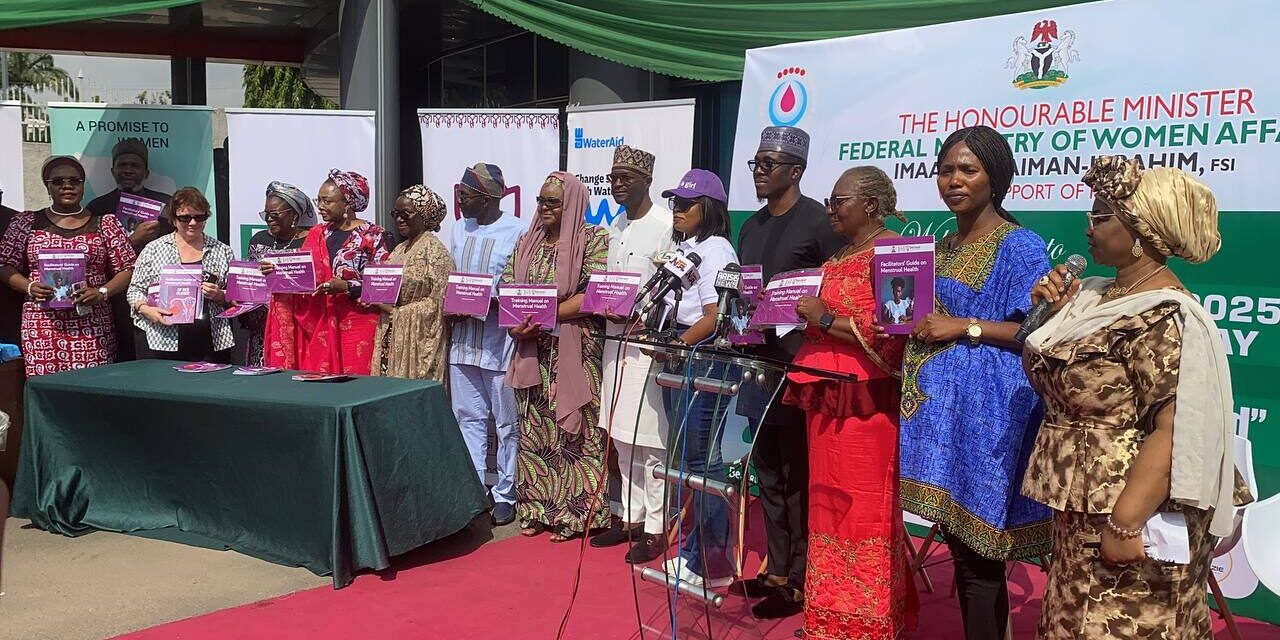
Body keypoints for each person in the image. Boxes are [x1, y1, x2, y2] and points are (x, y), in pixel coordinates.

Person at [1022, 156, 1249, 639]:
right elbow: (1051, 382)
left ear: (1141, 229)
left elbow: (1175, 430)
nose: (1088, 225)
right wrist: (1048, 316)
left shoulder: (1163, 318)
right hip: (1081, 507)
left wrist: (1125, 525)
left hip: (1131, 514)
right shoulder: (1094, 296)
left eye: (1101, 215)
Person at [896, 125, 1051, 639]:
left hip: (989, 419)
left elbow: (1038, 329)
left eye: (968, 169)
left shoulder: (1020, 246)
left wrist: (964, 326)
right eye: (945, 170)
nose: (953, 180)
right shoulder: (943, 243)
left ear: (996, 177)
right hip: (945, 419)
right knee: (961, 550)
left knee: (981, 555)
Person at [791, 167, 918, 639]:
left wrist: (824, 316)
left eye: (837, 199)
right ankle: (827, 617)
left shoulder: (898, 252)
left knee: (865, 510)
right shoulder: (841, 253)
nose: (829, 209)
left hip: (869, 404)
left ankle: (869, 622)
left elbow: (900, 334)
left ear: (869, 204)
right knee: (827, 508)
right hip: (824, 394)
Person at [734, 125, 843, 618]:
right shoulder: (750, 228)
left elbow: (837, 292)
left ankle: (801, 578)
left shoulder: (820, 223)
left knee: (799, 473)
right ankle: (777, 568)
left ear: (795, 171)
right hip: (756, 363)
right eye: (754, 164)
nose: (758, 172)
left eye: (767, 164)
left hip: (802, 366)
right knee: (768, 471)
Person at [502, 172, 611, 542]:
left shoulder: (593, 240)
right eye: (540, 201)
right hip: (531, 349)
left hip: (575, 350)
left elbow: (592, 295)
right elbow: (508, 288)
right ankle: (536, 508)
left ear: (574, 205)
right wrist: (516, 324)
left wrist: (543, 313)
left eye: (553, 202)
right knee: (534, 429)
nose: (544, 208)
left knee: (575, 432)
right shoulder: (526, 242)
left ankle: (576, 514)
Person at [654, 169, 739, 588]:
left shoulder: (719, 250)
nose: (678, 210)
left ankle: (713, 564)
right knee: (690, 460)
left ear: (709, 209)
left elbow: (715, 317)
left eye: (687, 204)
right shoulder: (685, 249)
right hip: (681, 355)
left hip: (704, 359)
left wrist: (678, 345)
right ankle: (694, 554)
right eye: (675, 202)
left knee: (703, 461)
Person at [590, 145, 675, 563]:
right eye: (613, 176)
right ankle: (628, 517)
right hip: (613, 342)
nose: (617, 184)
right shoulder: (617, 225)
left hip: (645, 346)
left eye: (626, 177)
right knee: (621, 437)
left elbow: (673, 287)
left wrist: (647, 317)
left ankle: (657, 528)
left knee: (650, 440)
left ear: (647, 181)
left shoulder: (664, 225)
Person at [0, 156, 136, 377]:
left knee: (92, 388)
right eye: (58, 181)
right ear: (47, 186)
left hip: (92, 323)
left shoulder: (106, 223)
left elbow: (128, 267)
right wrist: (29, 286)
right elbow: (4, 264)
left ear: (83, 186)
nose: (67, 185)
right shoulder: (26, 223)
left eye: (75, 180)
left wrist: (102, 293)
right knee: (46, 390)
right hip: (42, 325)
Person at [449, 163, 526, 527]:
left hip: (499, 344)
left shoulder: (518, 231)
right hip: (462, 342)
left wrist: (488, 301)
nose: (460, 200)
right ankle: (474, 488)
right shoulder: (458, 229)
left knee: (506, 423)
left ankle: (506, 493)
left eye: (466, 195)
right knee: (468, 418)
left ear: (488, 197)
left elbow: (519, 287)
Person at [263, 169, 388, 375]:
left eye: (327, 201)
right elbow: (303, 273)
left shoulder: (374, 236)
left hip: (358, 325)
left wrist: (347, 286)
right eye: (318, 200)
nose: (320, 207)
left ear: (347, 203)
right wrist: (276, 271)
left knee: (356, 385)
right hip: (320, 323)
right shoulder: (318, 233)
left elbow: (383, 286)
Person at [87, 138, 173, 362]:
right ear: (112, 170)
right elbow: (94, 256)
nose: (128, 170)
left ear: (146, 172)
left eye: (134, 165)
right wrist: (133, 240)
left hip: (157, 296)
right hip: (113, 296)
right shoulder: (97, 208)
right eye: (122, 165)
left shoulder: (166, 206)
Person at [128, 187, 236, 363]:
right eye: (185, 218)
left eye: (199, 217)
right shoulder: (153, 249)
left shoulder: (222, 251)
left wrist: (220, 295)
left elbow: (235, 297)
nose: (192, 223)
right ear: (173, 219)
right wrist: (146, 310)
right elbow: (134, 290)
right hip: (162, 338)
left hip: (210, 340)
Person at [371, 185, 453, 381]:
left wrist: (395, 312)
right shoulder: (399, 249)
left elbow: (438, 304)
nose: (399, 219)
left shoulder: (436, 252)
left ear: (424, 215)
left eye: (405, 214)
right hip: (390, 334)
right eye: (395, 213)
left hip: (417, 343)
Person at [238, 181, 315, 366]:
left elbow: (313, 283)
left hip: (298, 328)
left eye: (275, 215)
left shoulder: (311, 242)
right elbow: (250, 282)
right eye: (266, 215)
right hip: (263, 328)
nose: (269, 220)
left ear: (295, 215)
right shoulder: (259, 240)